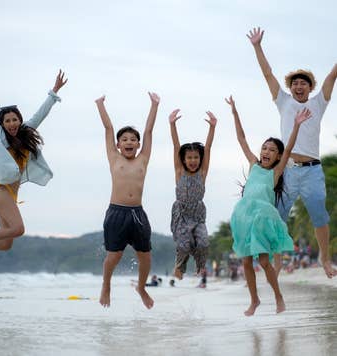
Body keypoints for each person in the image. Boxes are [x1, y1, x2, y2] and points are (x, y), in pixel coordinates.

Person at [247, 27, 337, 279]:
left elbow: (333, 75)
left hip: (312, 170)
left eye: (303, 83)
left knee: (320, 215)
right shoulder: (283, 101)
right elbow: (267, 73)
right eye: (295, 83)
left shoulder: (318, 103)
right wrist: (257, 46)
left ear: (310, 88)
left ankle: (325, 259)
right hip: (286, 170)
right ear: (290, 87)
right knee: (277, 217)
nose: (299, 86)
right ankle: (275, 264)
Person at [226, 95, 311, 316]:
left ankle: (278, 296)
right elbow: (241, 139)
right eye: (264, 148)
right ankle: (254, 300)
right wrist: (234, 112)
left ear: (278, 156)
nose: (266, 152)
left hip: (262, 219)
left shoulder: (275, 172)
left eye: (272, 150)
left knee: (264, 261)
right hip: (244, 217)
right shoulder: (254, 165)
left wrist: (296, 126)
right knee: (245, 261)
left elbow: (290, 146)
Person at [0, 64, 67, 251]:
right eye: (7, 120)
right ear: (2, 124)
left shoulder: (26, 132)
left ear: (19, 120)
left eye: (15, 119)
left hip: (10, 195)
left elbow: (40, 114)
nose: (11, 123)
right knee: (18, 229)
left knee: (5, 244)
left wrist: (54, 92)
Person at [95, 92, 160, 309]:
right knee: (114, 255)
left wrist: (154, 105)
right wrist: (100, 105)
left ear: (139, 144)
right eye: (125, 140)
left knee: (146, 257)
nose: (129, 142)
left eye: (133, 139)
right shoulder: (114, 158)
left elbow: (149, 130)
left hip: (138, 213)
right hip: (116, 213)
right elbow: (108, 129)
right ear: (118, 144)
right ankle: (106, 285)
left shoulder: (143, 158)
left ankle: (141, 287)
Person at [169, 108, 217, 280]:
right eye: (189, 158)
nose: (192, 161)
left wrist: (212, 127)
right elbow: (176, 146)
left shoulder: (202, 173)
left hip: (197, 213)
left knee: (203, 242)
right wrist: (172, 124)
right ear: (183, 159)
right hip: (181, 212)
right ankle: (179, 268)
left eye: (196, 157)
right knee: (184, 244)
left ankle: (200, 266)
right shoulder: (179, 171)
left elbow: (209, 147)